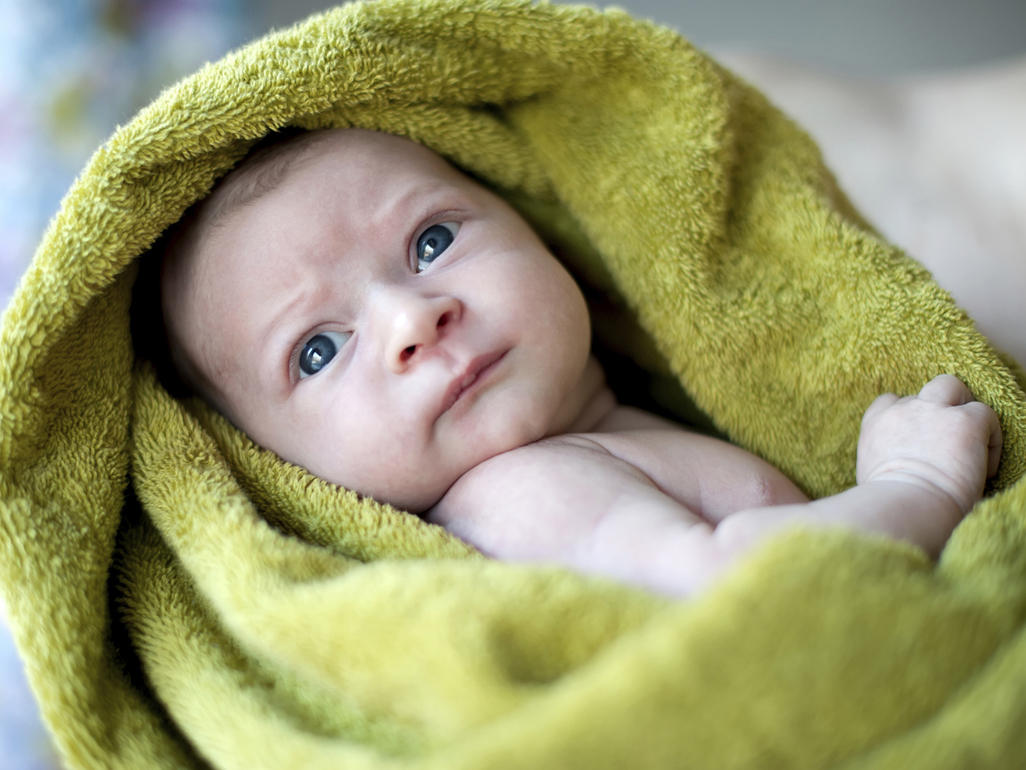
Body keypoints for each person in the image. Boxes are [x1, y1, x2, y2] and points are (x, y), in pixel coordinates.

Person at [152, 127, 1002, 597]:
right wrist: (916, 488)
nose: (413, 316)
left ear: (538, 229)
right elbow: (743, 589)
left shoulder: (605, 432)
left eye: (432, 240)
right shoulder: (523, 493)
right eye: (318, 349)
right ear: (272, 465)